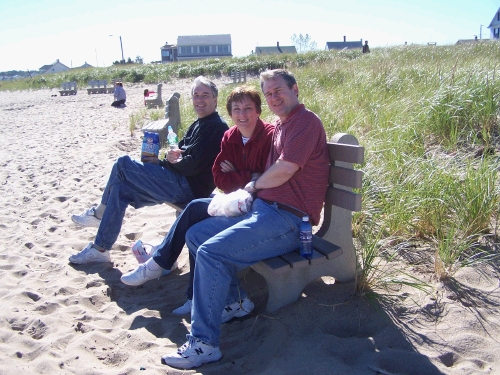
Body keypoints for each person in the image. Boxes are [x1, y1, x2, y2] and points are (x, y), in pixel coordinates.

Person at [160, 69, 330, 369]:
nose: (274, 97)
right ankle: (234, 301)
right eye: (269, 93)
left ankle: (204, 344)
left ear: (295, 89)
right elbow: (258, 168)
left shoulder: (305, 122)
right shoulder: (281, 126)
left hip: (289, 220)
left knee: (212, 252)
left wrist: (252, 184)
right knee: (197, 235)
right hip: (266, 210)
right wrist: (249, 182)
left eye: (279, 90)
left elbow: (285, 168)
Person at [120, 86, 275, 321]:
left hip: (258, 207)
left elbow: (264, 179)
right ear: (231, 112)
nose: (242, 114)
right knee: (194, 211)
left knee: (198, 229)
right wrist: (245, 176)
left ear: (258, 111)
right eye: (236, 109)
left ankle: (158, 265)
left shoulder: (268, 136)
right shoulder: (230, 136)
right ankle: (177, 281)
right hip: (234, 200)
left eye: (248, 108)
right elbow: (219, 178)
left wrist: (241, 175)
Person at [68, 76, 229, 265]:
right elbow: (181, 156)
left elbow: (193, 165)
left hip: (188, 188)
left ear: (215, 99)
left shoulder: (216, 127)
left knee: (122, 164)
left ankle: (98, 214)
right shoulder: (198, 123)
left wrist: (167, 164)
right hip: (177, 181)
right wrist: (160, 162)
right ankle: (100, 249)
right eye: (196, 95)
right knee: (120, 189)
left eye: (205, 95)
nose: (200, 100)